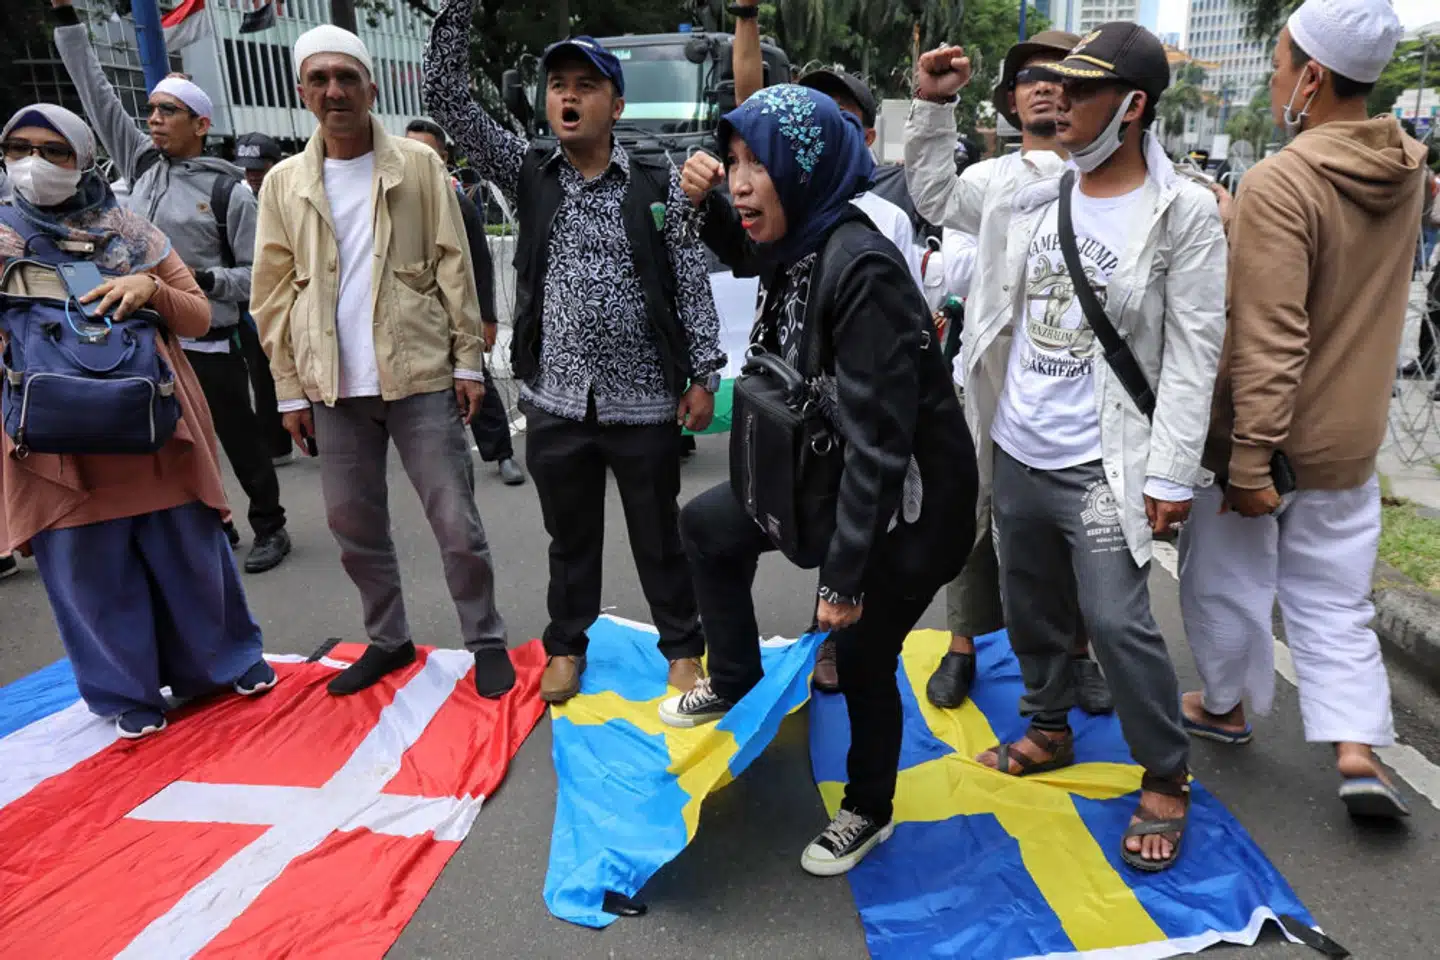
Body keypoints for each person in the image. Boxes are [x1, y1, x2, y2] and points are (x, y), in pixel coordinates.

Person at [912, 23, 1227, 871]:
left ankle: (1164, 770)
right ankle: (1048, 727)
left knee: (1121, 624)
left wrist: (1170, 472)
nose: (1060, 99)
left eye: (1081, 89)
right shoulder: (1032, 187)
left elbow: (1197, 351)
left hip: (1103, 462)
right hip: (1017, 447)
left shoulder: (1183, 210)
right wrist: (934, 107)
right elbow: (936, 193)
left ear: (1131, 108)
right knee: (1028, 607)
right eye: (1055, 85)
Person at [661, 85, 976, 876]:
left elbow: (880, 443)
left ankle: (869, 808)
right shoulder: (797, 236)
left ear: (803, 170)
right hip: (817, 473)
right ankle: (734, 677)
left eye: (755, 165)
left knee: (862, 654)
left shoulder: (861, 268)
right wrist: (699, 202)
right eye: (732, 162)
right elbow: (737, 249)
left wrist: (842, 578)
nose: (738, 182)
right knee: (707, 528)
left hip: (908, 506)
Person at [424, 5, 726, 704]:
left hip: (646, 396)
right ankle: (567, 644)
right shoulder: (529, 170)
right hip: (557, 396)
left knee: (659, 535)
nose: (568, 95)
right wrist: (459, 12)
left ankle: (682, 649)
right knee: (570, 539)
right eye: (558, 83)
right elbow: (447, 104)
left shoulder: (655, 177)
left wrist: (704, 373)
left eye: (586, 85)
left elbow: (687, 277)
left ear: (615, 105)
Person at [1178, 0, 1423, 820]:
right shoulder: (1408, 169)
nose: (1277, 76)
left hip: (1269, 437)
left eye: (1281, 62)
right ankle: (1357, 751)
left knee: (1225, 583)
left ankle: (1224, 705)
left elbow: (1270, 334)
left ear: (1311, 75)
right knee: (1336, 596)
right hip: (1353, 439)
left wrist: (1248, 460)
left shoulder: (1284, 180)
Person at [251, 26, 514, 699]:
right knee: (352, 524)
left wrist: (468, 364)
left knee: (455, 520)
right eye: (319, 78)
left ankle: (484, 638)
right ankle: (388, 640)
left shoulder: (418, 167)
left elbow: (456, 265)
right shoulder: (284, 183)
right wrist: (288, 392)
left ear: (371, 86)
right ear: (302, 91)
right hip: (331, 386)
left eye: (347, 76)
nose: (334, 90)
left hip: (419, 372)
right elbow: (273, 293)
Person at [0, 104, 276, 738]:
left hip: (151, 421)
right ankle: (126, 692)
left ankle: (224, 662)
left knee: (187, 551)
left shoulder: (130, 231)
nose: (35, 163)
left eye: (54, 150)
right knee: (88, 568)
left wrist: (150, 291)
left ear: (83, 157)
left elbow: (201, 317)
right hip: (53, 433)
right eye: (19, 148)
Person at [906, 29, 1113, 717]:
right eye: (1031, 76)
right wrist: (933, 105)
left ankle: (1079, 654)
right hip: (996, 392)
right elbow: (932, 192)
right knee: (971, 518)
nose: (1047, 85)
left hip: (1084, 397)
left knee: (1076, 532)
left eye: (1064, 74)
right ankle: (962, 647)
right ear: (1011, 99)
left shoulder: (1112, 179)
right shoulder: (991, 182)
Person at [50, 0, 291, 574]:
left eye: (168, 111)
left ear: (200, 124)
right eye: (152, 109)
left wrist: (202, 282)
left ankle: (270, 525)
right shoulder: (140, 163)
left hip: (211, 339)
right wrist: (66, 19)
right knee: (172, 442)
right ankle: (212, 523)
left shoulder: (232, 191)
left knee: (239, 438)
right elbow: (95, 91)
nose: (153, 118)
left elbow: (260, 274)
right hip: (148, 339)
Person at [404, 117, 526, 487]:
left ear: (442, 155)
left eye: (427, 151)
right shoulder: (392, 202)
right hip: (411, 319)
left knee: (477, 381)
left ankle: (502, 453)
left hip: (456, 317)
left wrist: (487, 319)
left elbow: (482, 265)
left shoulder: (460, 203)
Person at [232, 131, 294, 467]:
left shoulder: (292, 191)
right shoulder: (237, 199)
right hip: (254, 297)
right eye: (248, 168)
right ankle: (275, 443)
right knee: (262, 372)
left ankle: (321, 435)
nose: (254, 174)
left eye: (261, 166)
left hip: (294, 291)